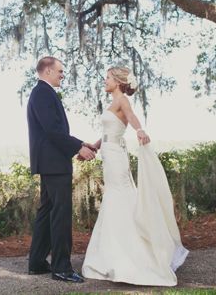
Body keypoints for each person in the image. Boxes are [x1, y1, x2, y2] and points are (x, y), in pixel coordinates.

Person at [81, 66, 188, 286]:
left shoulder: (122, 101)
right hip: (109, 153)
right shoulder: (113, 102)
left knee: (119, 197)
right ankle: (113, 252)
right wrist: (94, 146)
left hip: (116, 157)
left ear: (118, 82)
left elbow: (131, 117)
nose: (105, 80)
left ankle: (133, 254)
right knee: (114, 196)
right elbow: (109, 131)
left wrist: (140, 130)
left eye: (108, 78)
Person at [26, 56, 97, 283]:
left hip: (50, 162)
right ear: (47, 71)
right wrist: (77, 147)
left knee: (47, 212)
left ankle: (37, 262)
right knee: (61, 215)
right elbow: (53, 130)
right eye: (60, 71)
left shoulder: (42, 93)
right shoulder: (43, 93)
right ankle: (61, 268)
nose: (62, 75)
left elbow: (54, 130)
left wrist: (81, 143)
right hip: (54, 163)